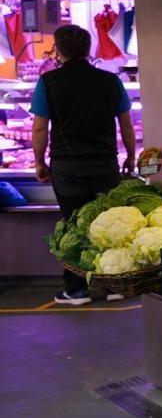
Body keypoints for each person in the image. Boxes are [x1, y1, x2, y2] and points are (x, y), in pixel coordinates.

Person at [32, 24, 136, 306]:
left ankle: (77, 290)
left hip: (67, 167)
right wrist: (131, 154)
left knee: (74, 226)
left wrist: (39, 161)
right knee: (109, 223)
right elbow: (125, 122)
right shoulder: (110, 81)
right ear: (88, 48)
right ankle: (115, 285)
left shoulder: (49, 81)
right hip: (104, 163)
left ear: (59, 49)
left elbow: (40, 129)